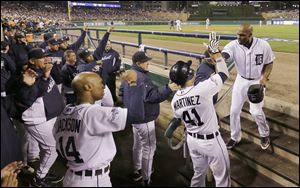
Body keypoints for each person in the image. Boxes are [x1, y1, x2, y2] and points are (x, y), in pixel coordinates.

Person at [52, 71, 145, 187]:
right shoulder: (91, 113)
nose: (103, 86)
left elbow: (57, 141)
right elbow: (137, 115)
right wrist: (133, 83)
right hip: (91, 181)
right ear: (88, 87)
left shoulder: (65, 112)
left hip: (72, 177)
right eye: (100, 83)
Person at [169, 32, 230, 187]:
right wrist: (216, 53)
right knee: (222, 179)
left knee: (198, 175)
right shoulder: (202, 89)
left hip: (193, 142)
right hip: (211, 142)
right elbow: (224, 73)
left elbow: (179, 117)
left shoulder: (175, 100)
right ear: (190, 75)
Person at [6, 48, 65, 186]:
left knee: (44, 147)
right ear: (32, 61)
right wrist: (44, 76)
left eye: (46, 56)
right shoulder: (27, 73)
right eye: (41, 57)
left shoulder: (43, 69)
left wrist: (50, 71)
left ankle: (40, 169)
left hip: (47, 115)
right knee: (51, 148)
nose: (46, 59)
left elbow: (58, 80)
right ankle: (39, 178)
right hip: (35, 118)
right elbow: (32, 95)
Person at [120, 51, 180, 186]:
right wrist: (168, 88)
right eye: (145, 61)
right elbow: (152, 96)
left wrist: (131, 107)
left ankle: (137, 171)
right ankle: (146, 178)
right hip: (144, 119)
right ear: (138, 63)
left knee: (138, 145)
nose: (148, 63)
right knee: (149, 148)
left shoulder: (129, 74)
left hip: (133, 117)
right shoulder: (141, 77)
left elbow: (122, 92)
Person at [222, 23, 275, 150]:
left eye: (242, 35)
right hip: (241, 80)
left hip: (257, 81)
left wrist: (264, 78)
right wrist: (220, 57)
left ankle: (264, 134)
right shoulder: (234, 45)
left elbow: (269, 63)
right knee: (234, 111)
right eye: (238, 34)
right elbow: (226, 54)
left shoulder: (263, 45)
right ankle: (235, 137)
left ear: (250, 35)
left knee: (256, 111)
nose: (239, 37)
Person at [101, 40, 121, 104]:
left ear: (111, 45)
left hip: (111, 75)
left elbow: (118, 64)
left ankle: (114, 100)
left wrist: (111, 70)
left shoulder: (115, 53)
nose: (107, 45)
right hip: (102, 75)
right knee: (103, 88)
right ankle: (104, 101)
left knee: (111, 88)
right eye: (106, 44)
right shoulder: (100, 53)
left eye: (109, 44)